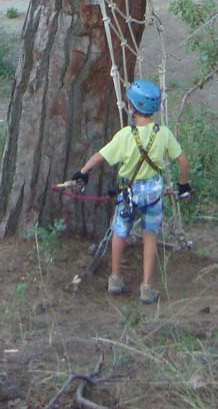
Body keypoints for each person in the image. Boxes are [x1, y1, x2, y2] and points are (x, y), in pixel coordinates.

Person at [70, 78, 191, 304]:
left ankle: (115, 279)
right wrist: (183, 185)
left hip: (128, 192)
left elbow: (99, 156)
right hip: (153, 193)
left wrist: (83, 172)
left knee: (120, 232)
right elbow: (183, 162)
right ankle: (146, 287)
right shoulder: (163, 134)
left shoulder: (125, 135)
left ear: (132, 107)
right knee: (150, 236)